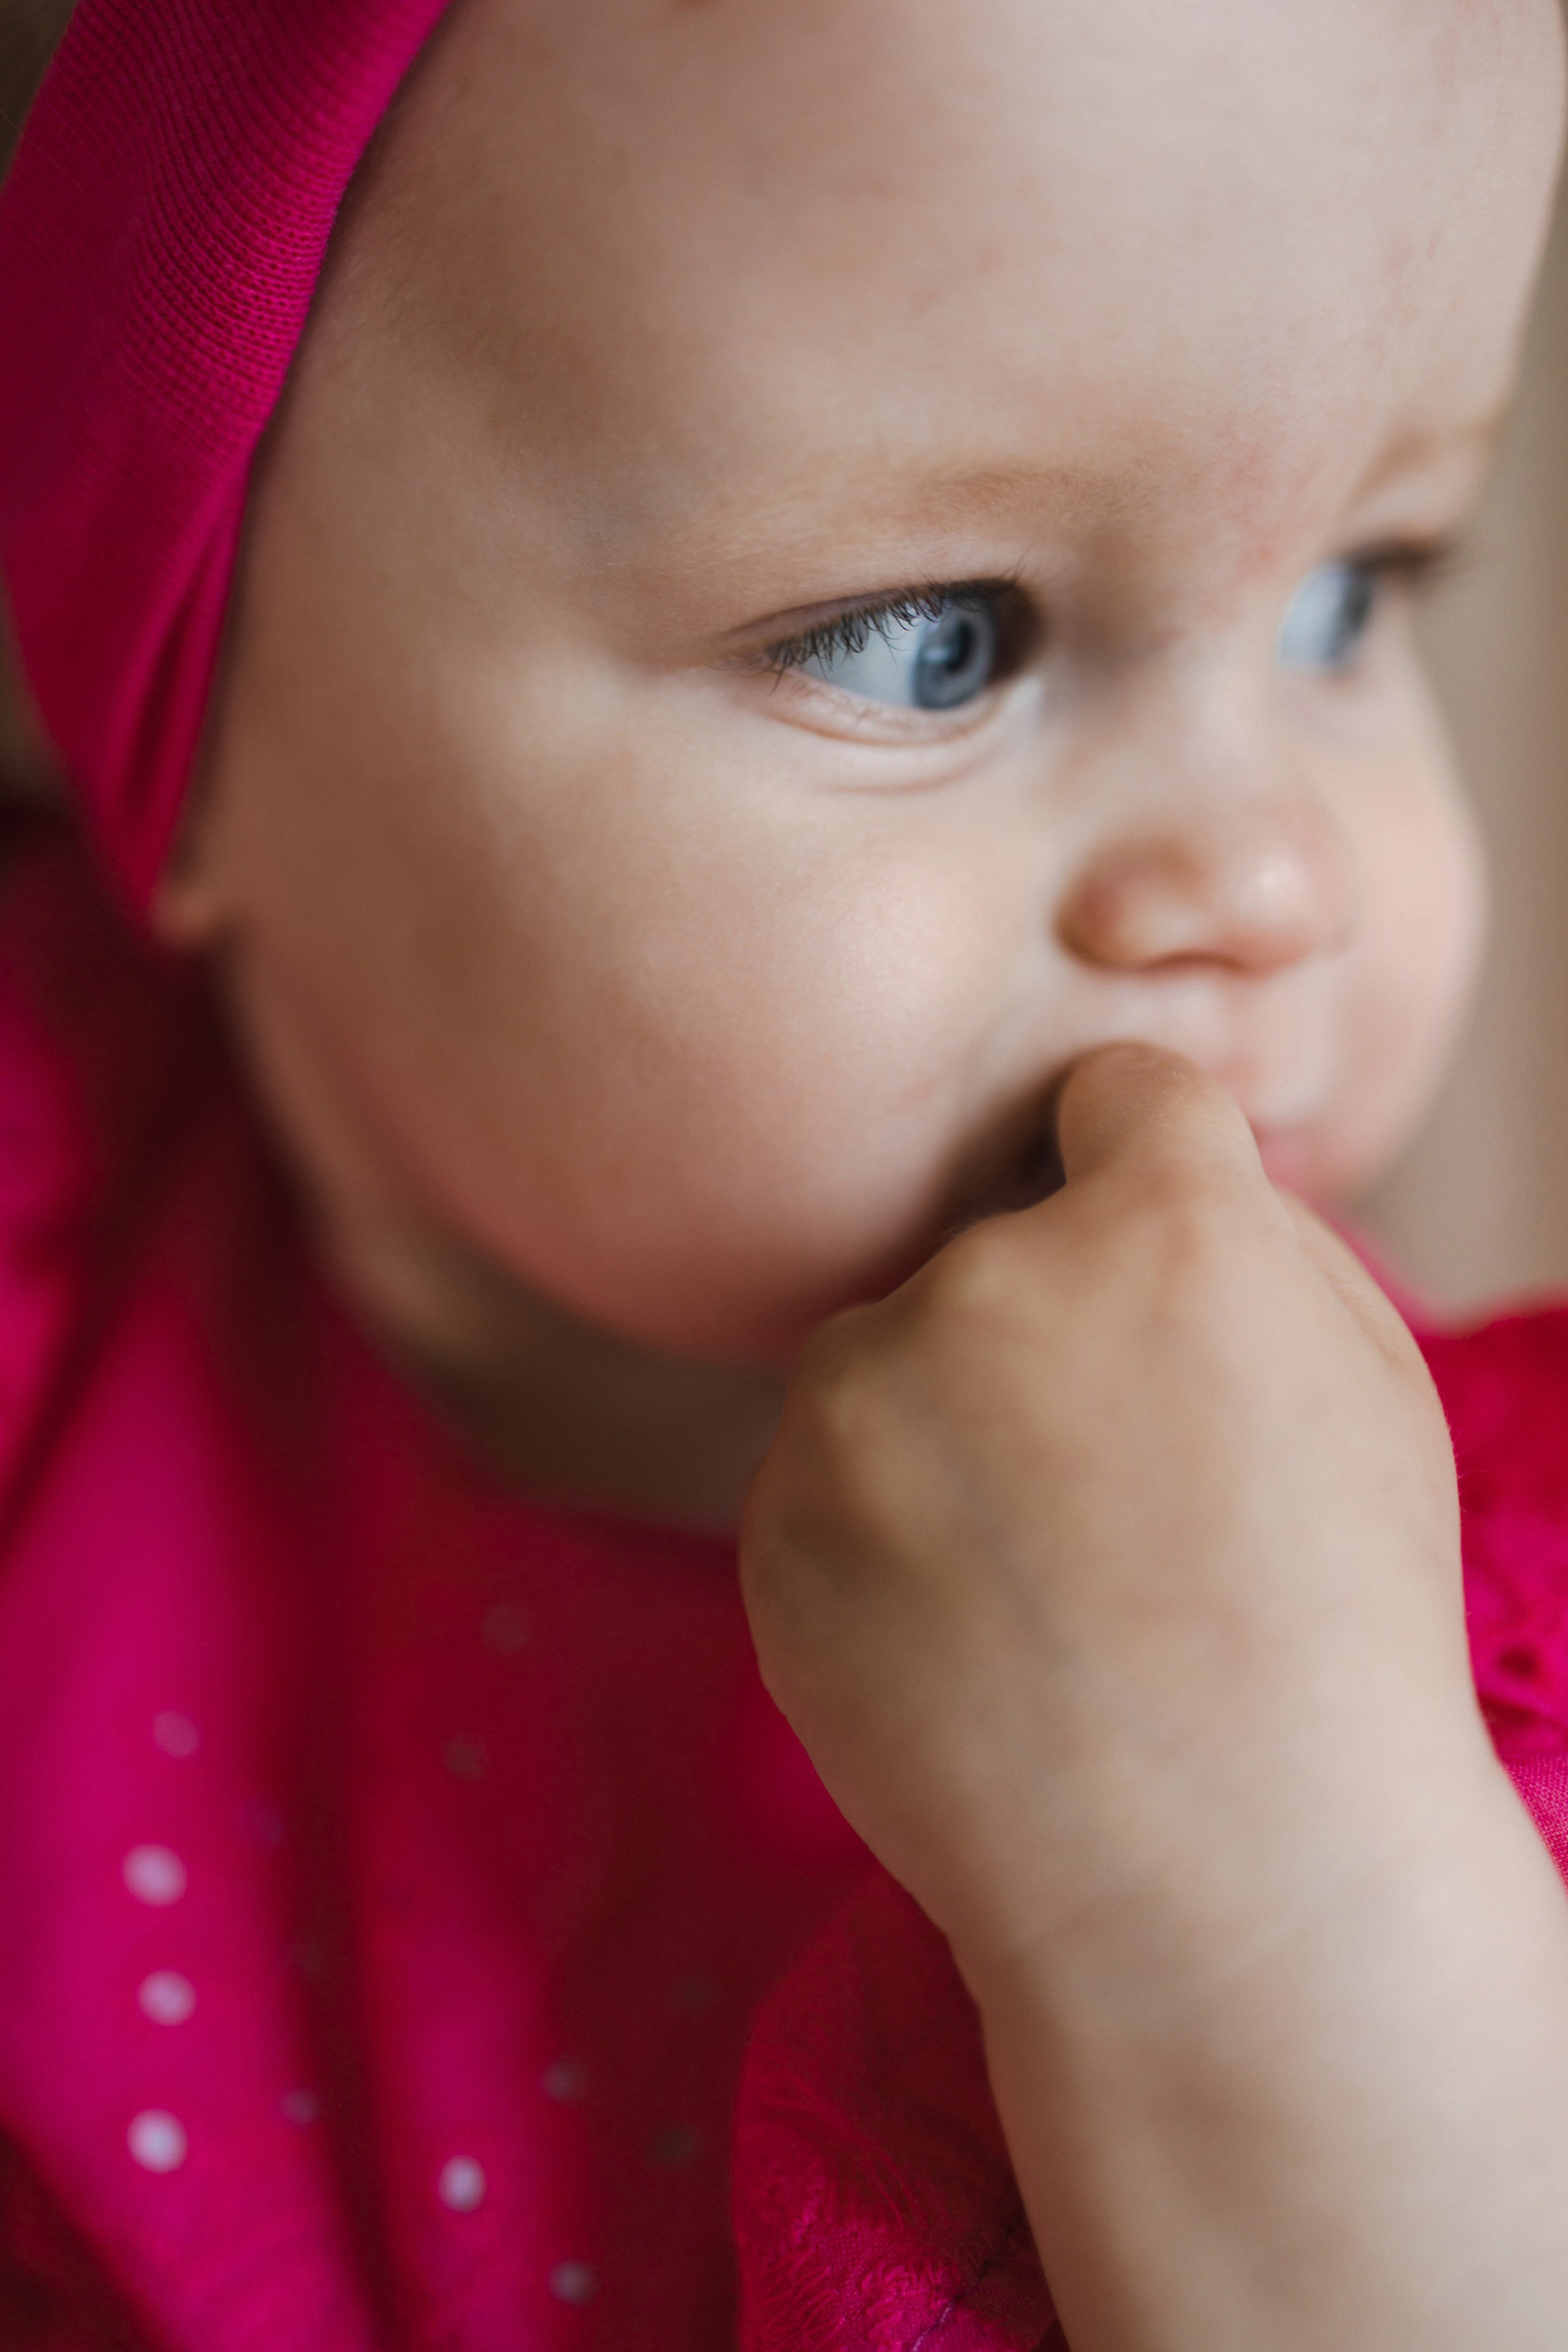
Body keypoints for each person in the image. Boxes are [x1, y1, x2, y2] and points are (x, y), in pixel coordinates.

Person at [0, 0, 1566, 2346]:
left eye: (1358, 590)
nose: (1275, 875)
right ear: (197, 718)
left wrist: (1279, 1933)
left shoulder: (1468, 1685)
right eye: (932, 643)